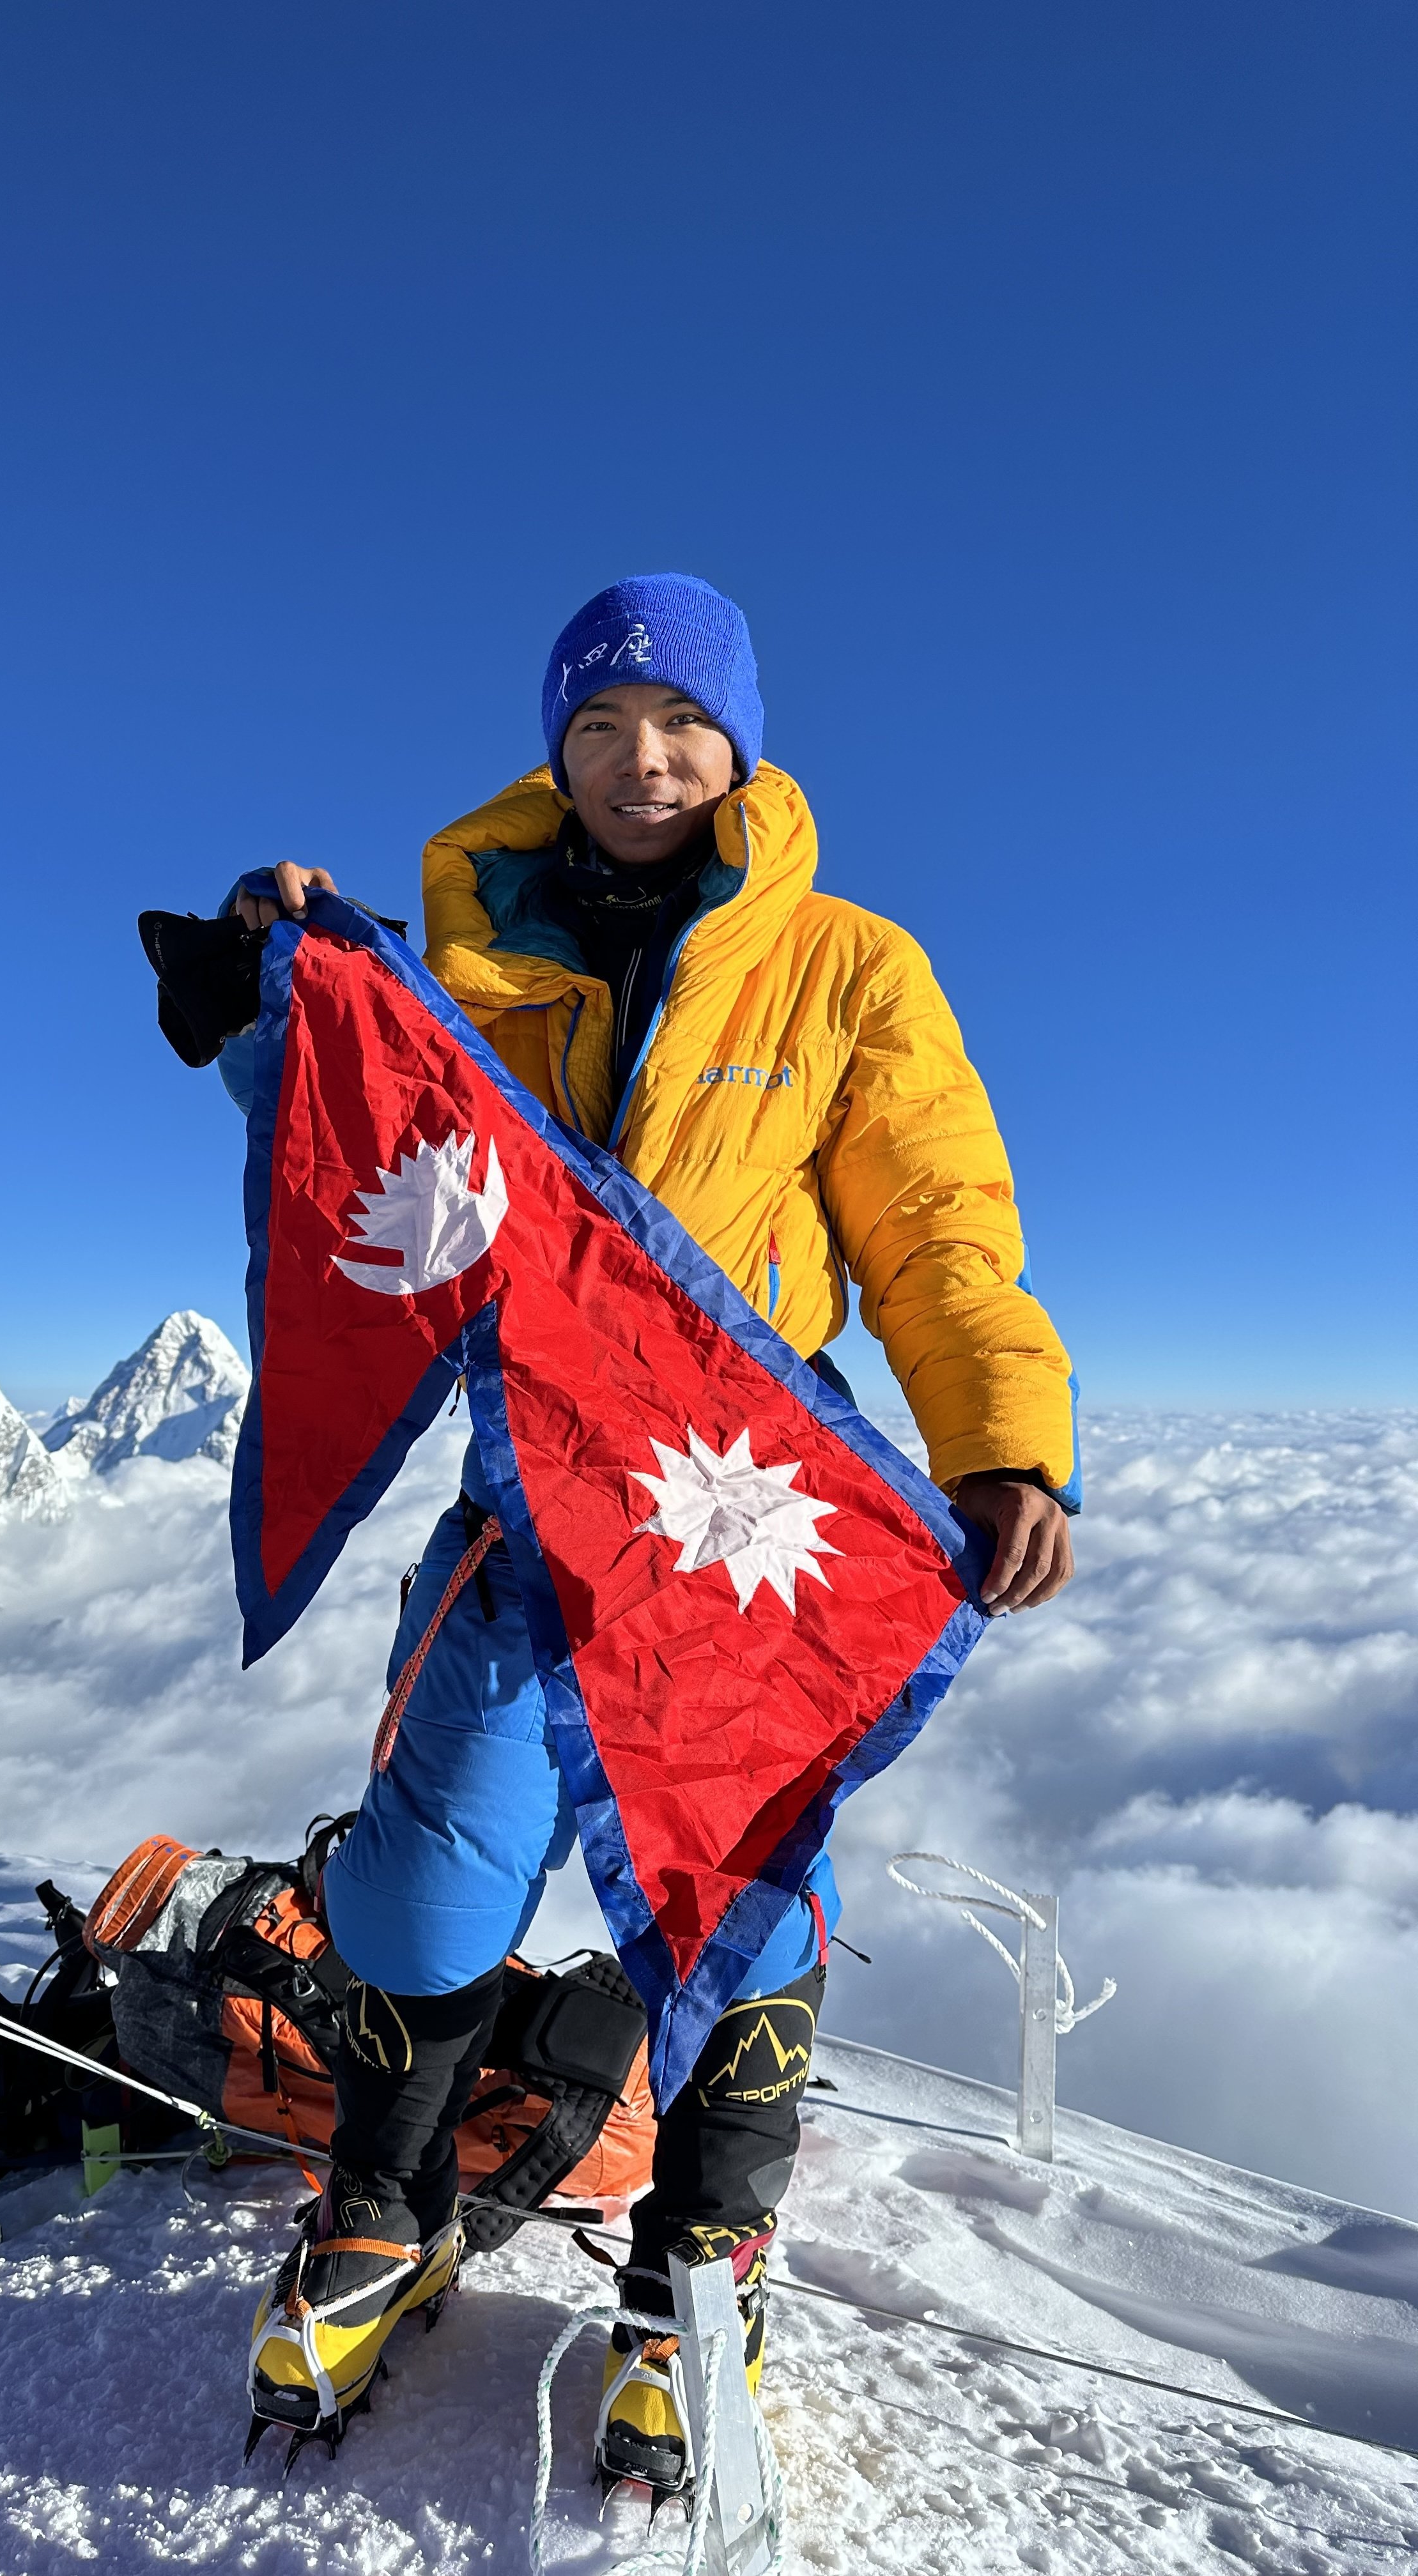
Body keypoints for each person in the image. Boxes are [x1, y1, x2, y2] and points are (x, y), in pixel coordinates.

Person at [215, 574, 1077, 2492]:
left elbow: (933, 1222)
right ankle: (387, 2197)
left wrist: (1001, 1434)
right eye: (599, 727)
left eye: (679, 722)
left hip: (733, 1506)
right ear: (557, 749)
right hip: (528, 1497)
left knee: (741, 1865)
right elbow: (372, 1155)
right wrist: (272, 1002)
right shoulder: (479, 954)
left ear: (741, 743)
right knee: (430, 1873)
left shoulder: (850, 966)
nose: (639, 759)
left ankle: (706, 2252)